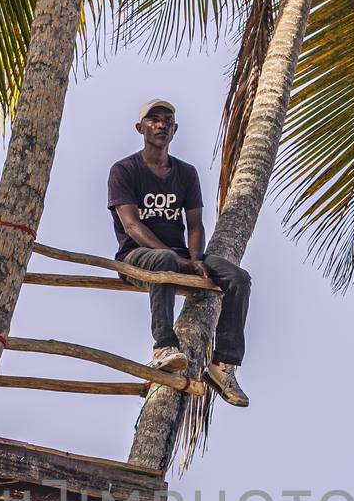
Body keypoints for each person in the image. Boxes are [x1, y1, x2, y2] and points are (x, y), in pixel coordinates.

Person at [107, 99, 250, 407]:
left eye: (167, 121)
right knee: (165, 260)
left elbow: (195, 224)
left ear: (174, 129)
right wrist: (179, 260)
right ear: (140, 128)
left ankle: (223, 365)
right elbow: (132, 226)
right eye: (154, 120)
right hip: (137, 258)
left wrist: (196, 260)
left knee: (238, 278)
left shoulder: (186, 173)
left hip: (181, 256)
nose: (161, 125)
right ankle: (164, 346)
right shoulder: (124, 170)